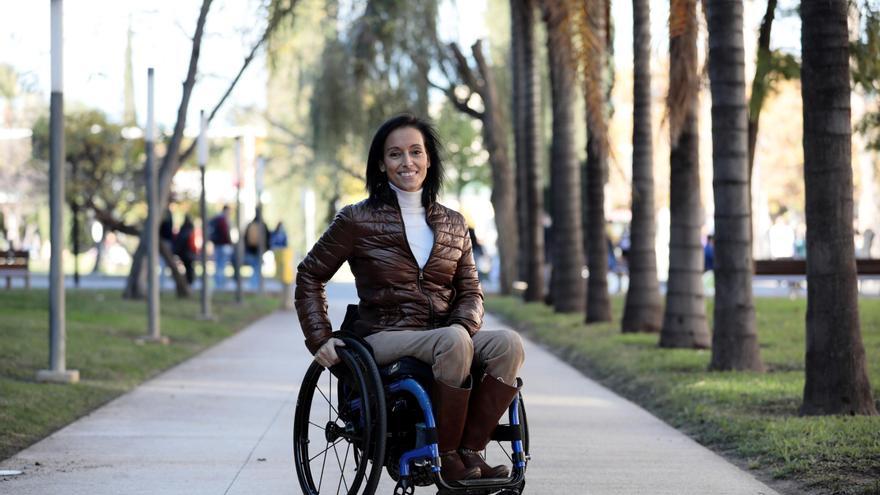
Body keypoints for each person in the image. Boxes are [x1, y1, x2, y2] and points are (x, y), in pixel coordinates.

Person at [295, 114, 525, 482]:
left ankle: (469, 451)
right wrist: (320, 337)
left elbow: (471, 291)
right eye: (395, 154)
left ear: (429, 159)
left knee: (508, 345)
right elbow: (309, 274)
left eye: (415, 152)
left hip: (445, 334)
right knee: (452, 342)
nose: (407, 162)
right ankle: (446, 457)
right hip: (382, 335)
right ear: (382, 164)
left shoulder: (453, 223)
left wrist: (462, 328)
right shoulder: (357, 219)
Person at [244, 214, 270, 290]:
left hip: (251, 250)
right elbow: (268, 237)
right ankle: (255, 286)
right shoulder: (263, 225)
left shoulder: (250, 225)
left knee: (255, 268)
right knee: (257, 268)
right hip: (259, 250)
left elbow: (245, 238)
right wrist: (266, 248)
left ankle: (253, 285)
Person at [209, 205, 233, 288]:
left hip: (218, 245)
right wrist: (230, 242)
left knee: (219, 264)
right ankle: (219, 284)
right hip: (223, 245)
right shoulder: (223, 220)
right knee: (221, 265)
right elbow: (225, 233)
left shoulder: (217, 219)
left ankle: (219, 282)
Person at [174, 215, 197, 285]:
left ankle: (188, 281)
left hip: (184, 253)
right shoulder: (190, 230)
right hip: (188, 253)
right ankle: (189, 281)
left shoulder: (183, 229)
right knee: (189, 268)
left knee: (188, 268)